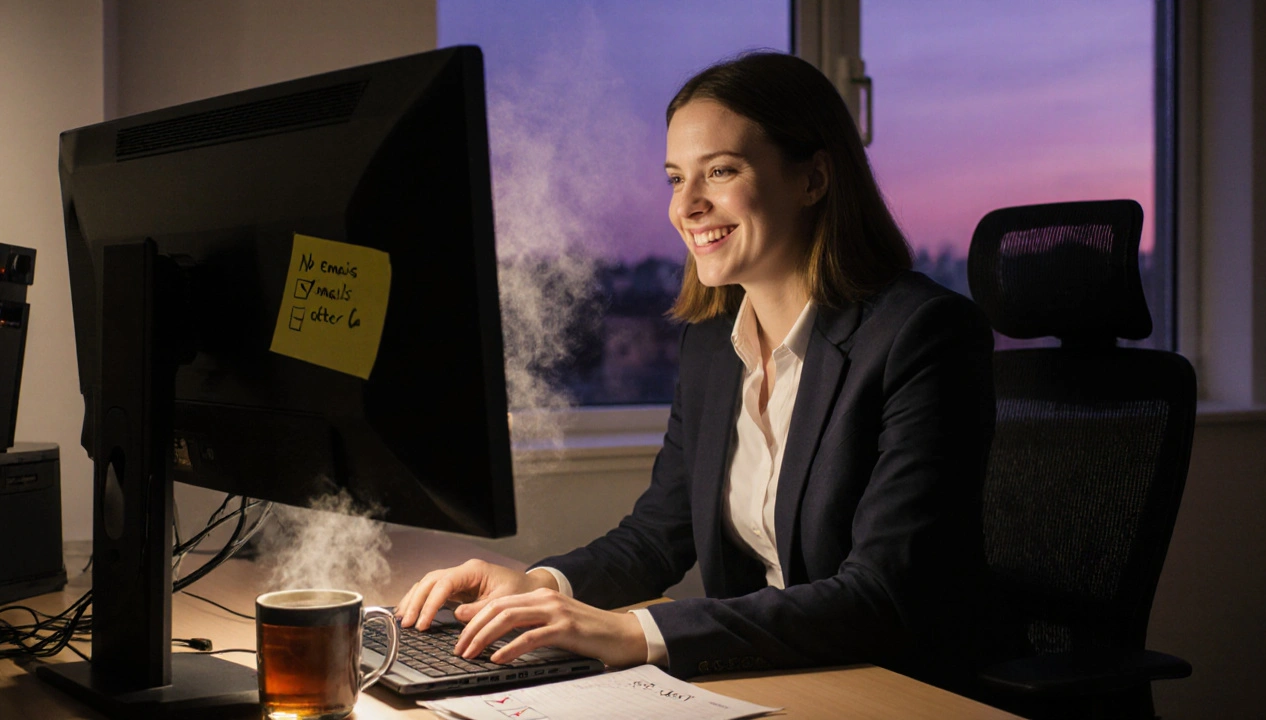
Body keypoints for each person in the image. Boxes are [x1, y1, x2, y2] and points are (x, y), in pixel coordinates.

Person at [396, 50, 995, 692]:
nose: (687, 205)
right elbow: (659, 534)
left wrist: (634, 633)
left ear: (814, 179)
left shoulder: (923, 335)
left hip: (898, 688)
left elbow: (880, 596)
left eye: (721, 171)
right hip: (774, 679)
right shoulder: (711, 346)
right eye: (676, 179)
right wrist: (539, 585)